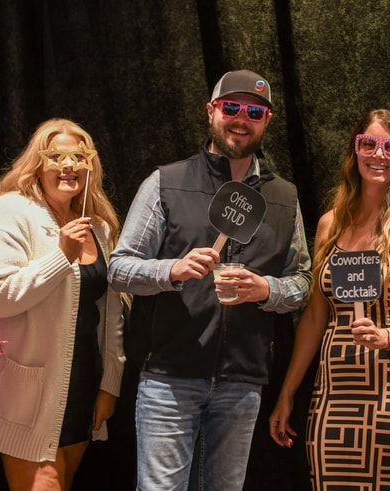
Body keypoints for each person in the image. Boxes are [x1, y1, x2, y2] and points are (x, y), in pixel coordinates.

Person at [108, 69, 311, 490]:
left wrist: (267, 290)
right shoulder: (166, 181)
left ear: (267, 120)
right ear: (211, 111)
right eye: (231, 107)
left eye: (254, 111)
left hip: (242, 383)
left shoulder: (285, 197)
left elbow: (303, 281)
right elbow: (120, 268)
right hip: (169, 379)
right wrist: (171, 270)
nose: (241, 118)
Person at [269, 109, 390, 489]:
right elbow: (315, 318)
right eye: (369, 143)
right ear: (355, 150)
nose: (378, 155)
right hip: (336, 394)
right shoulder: (329, 224)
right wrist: (287, 393)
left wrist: (388, 336)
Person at [0, 119, 126, 490]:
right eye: (56, 157)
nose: (67, 166)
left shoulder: (98, 227)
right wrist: (61, 256)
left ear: (90, 164)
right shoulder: (10, 213)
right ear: (38, 163)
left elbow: (112, 310)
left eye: (77, 157)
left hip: (82, 387)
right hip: (27, 396)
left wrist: (109, 384)